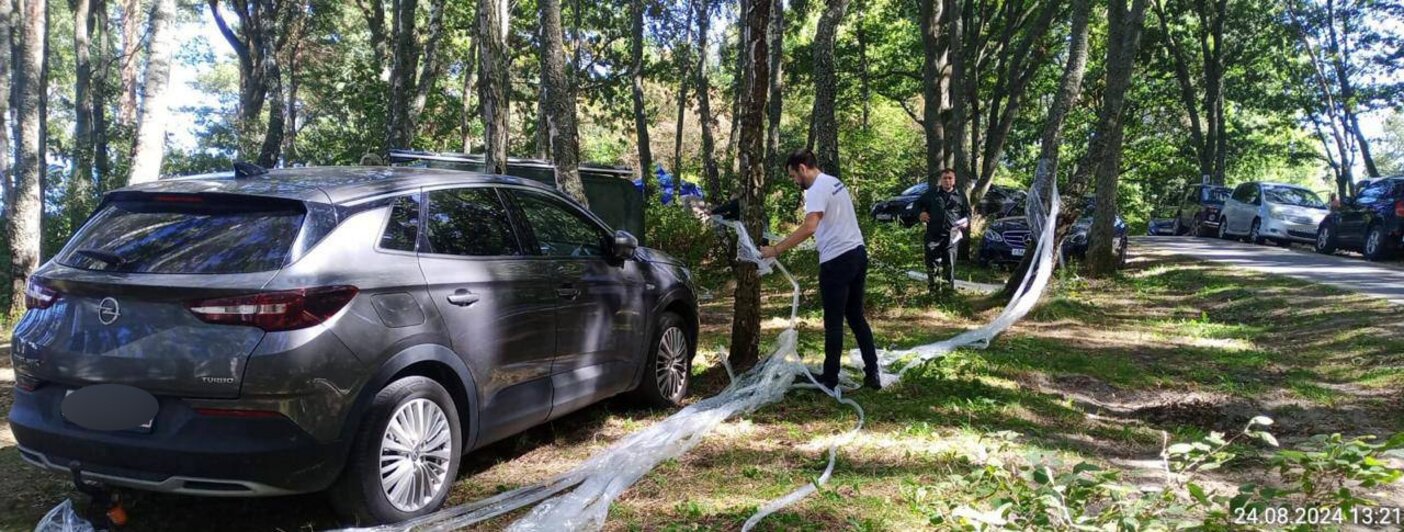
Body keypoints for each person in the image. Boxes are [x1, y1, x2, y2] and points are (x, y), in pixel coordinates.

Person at [760, 149, 881, 391]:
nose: (795, 181)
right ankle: (872, 373)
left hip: (837, 261)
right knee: (856, 317)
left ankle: (830, 378)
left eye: (794, 175)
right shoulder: (834, 182)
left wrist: (776, 249)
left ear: (803, 168)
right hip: (858, 253)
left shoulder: (816, 189)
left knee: (834, 322)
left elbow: (809, 227)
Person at [916, 168, 970, 293]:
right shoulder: (932, 193)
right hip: (933, 235)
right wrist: (921, 213)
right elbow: (916, 205)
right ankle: (933, 291)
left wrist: (966, 221)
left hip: (952, 236)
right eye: (945, 178)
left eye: (950, 178)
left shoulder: (960, 195)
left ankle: (947, 293)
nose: (947, 181)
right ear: (941, 180)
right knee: (932, 264)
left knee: (949, 265)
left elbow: (967, 213)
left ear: (954, 180)